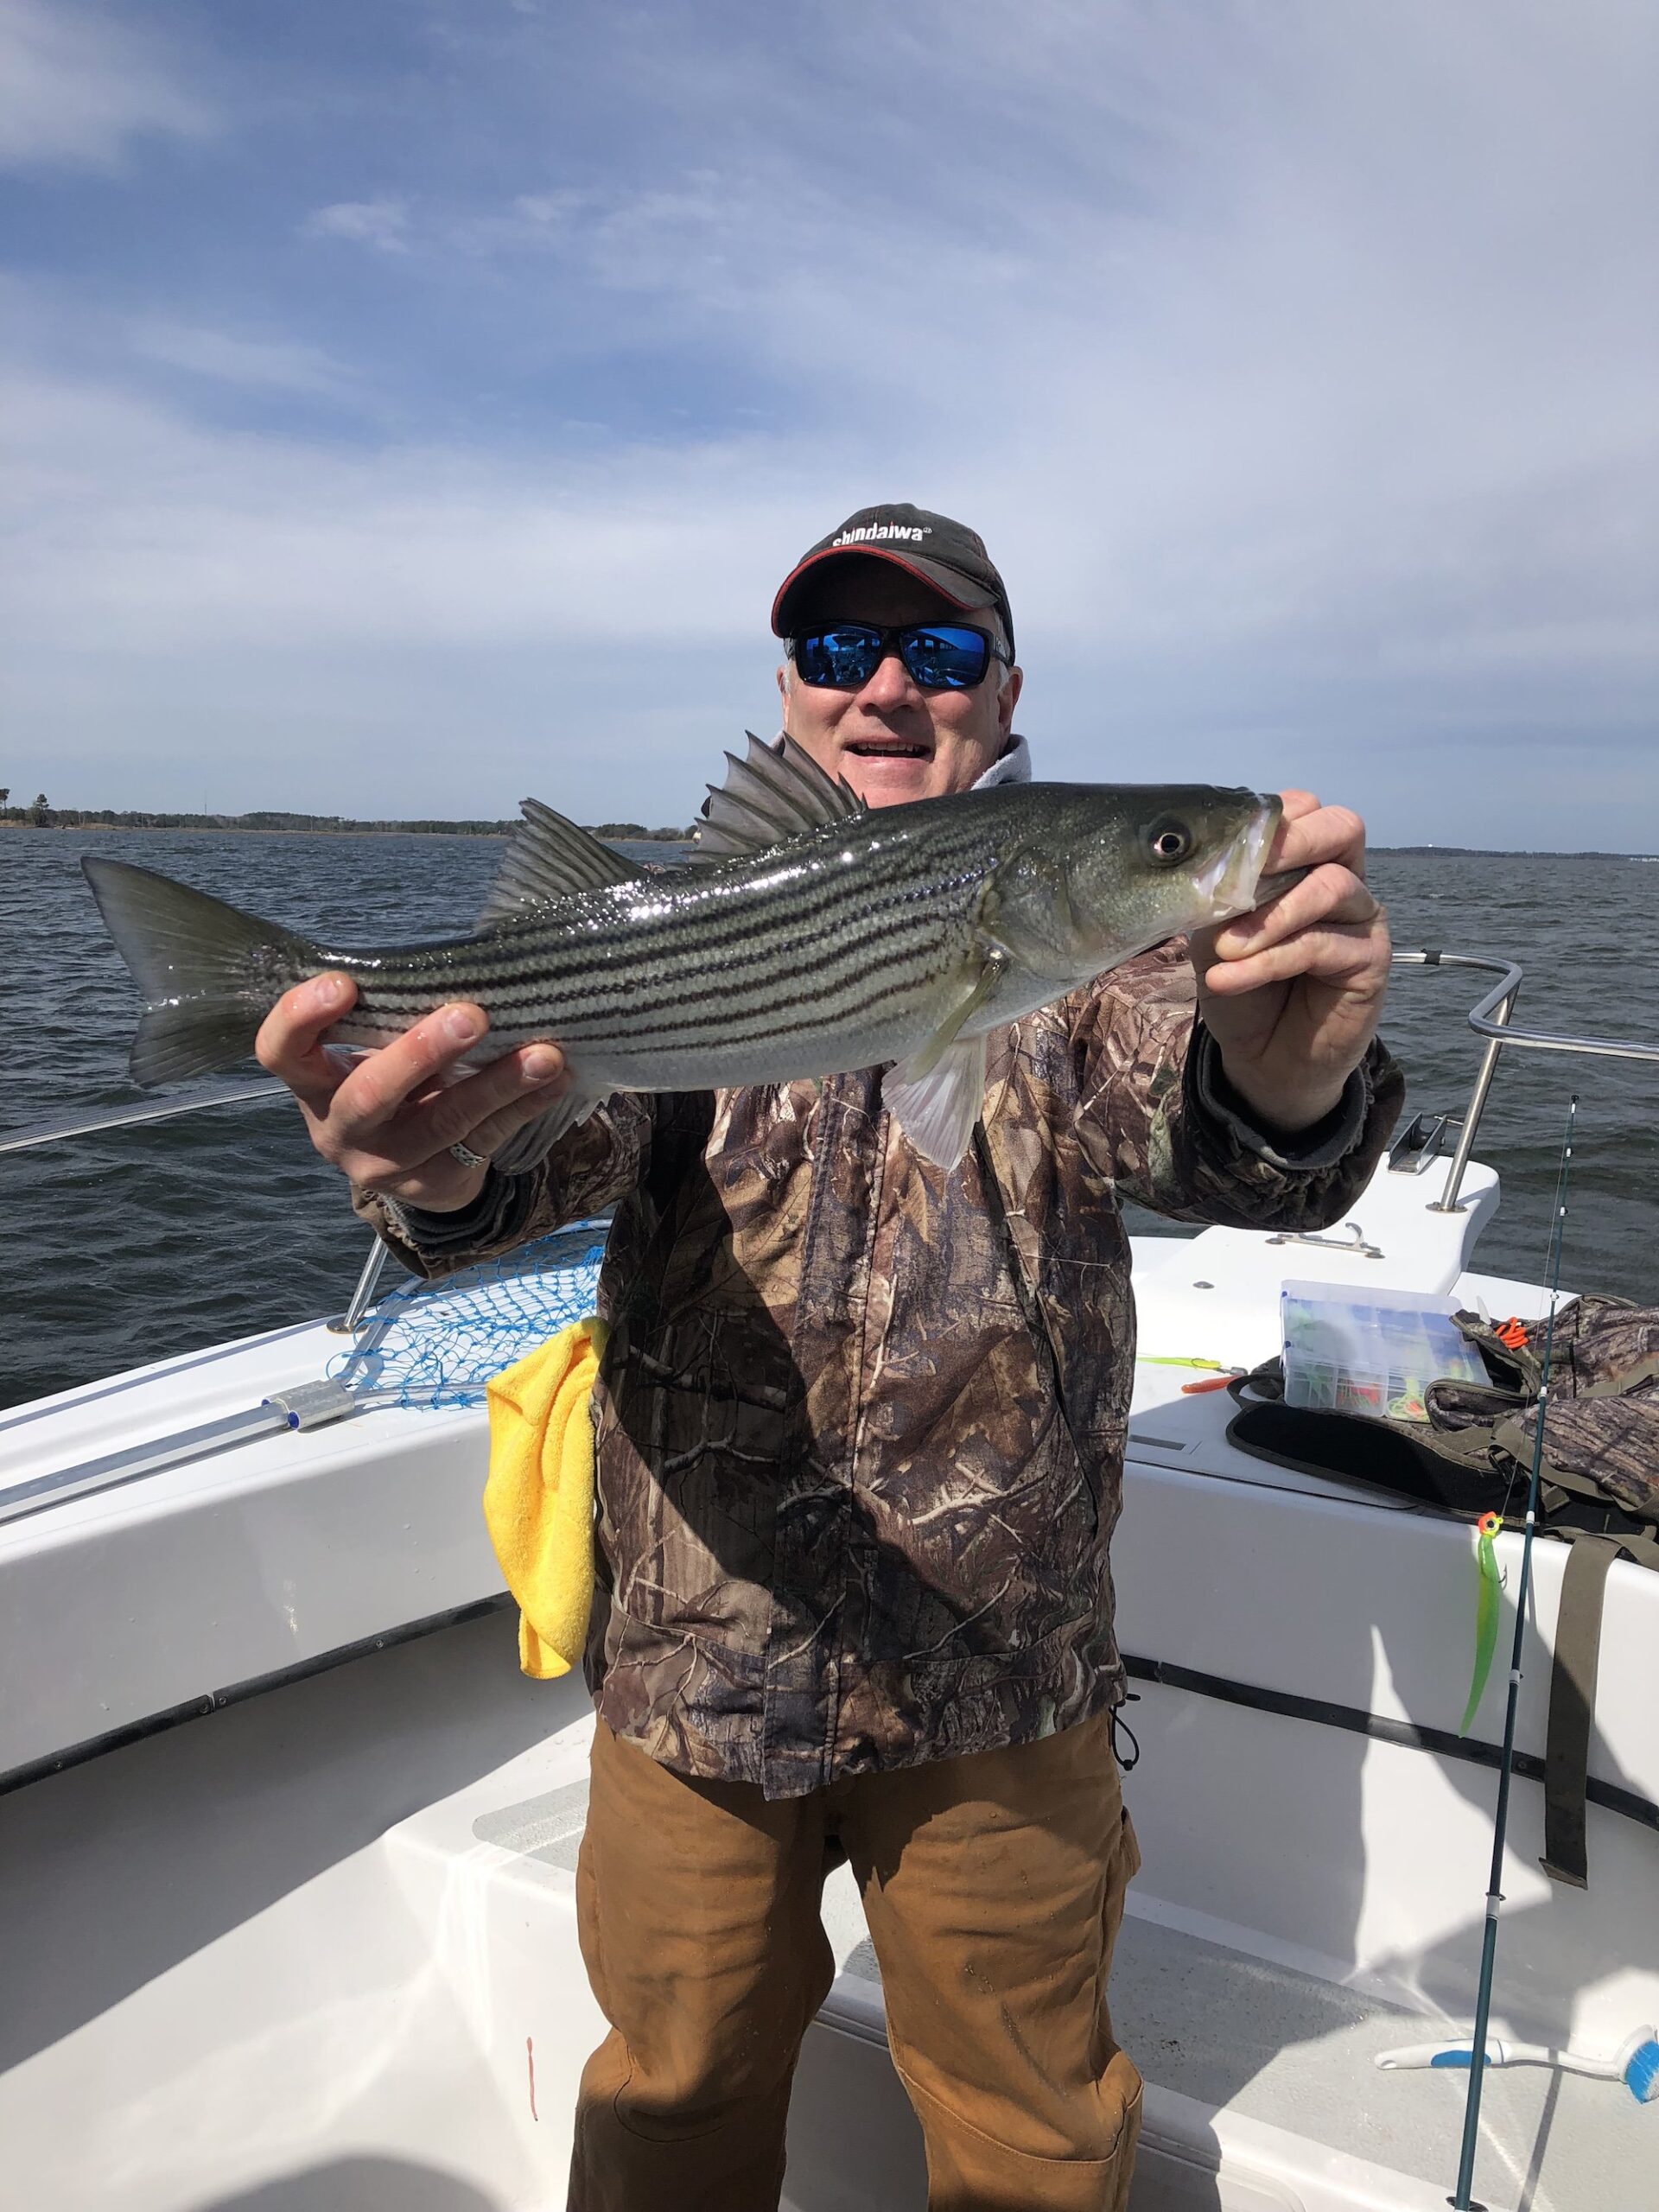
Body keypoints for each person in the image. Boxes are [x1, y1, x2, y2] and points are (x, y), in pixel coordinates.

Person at [256, 504, 1402, 2212]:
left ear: (1004, 697)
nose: (883, 684)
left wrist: (1287, 1083)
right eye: (836, 646)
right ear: (789, 688)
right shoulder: (669, 928)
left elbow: (1212, 1123)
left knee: (1033, 2134)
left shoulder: (1111, 963)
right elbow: (525, 1163)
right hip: (694, 1664)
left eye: (937, 649)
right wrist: (435, 1167)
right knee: (670, 2100)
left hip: (999, 1673)